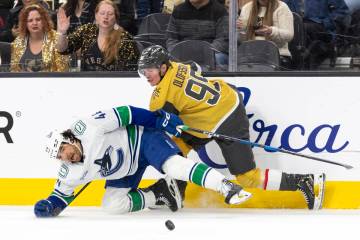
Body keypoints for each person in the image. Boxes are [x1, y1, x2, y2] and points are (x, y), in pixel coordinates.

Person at [137, 45, 326, 210]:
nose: (146, 75)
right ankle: (176, 191)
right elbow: (196, 67)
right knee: (175, 150)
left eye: (149, 70)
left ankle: (304, 181)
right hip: (221, 102)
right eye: (143, 71)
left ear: (163, 67)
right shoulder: (179, 65)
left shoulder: (161, 98)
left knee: (247, 178)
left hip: (227, 118)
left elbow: (158, 129)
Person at [33, 106, 251, 217]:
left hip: (142, 139)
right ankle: (160, 193)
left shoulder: (88, 127)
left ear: (69, 139)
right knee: (111, 206)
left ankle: (225, 186)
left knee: (173, 166)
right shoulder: (69, 170)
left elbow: (127, 113)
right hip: (126, 171)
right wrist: (49, 206)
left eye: (63, 148)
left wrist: (159, 120)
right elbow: (60, 197)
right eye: (59, 155)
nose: (65, 156)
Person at [56, 0, 139, 71]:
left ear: (116, 18)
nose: (106, 17)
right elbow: (62, 49)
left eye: (110, 14)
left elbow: (130, 72)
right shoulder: (87, 30)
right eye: (102, 13)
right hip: (86, 82)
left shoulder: (125, 38)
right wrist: (62, 32)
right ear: (96, 15)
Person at [166, 0, 229, 71]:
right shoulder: (178, 10)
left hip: (210, 53)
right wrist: (178, 52)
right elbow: (171, 38)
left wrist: (203, 53)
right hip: (184, 52)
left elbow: (223, 39)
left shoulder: (220, 11)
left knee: (217, 58)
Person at [10, 4, 69, 72]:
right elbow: (14, 70)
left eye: (38, 19)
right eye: (30, 20)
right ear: (25, 24)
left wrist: (62, 32)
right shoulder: (18, 41)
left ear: (44, 21)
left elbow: (62, 51)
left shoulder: (55, 37)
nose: (34, 23)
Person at [237, 0, 294, 69]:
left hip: (277, 55)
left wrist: (271, 31)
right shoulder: (247, 8)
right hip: (251, 55)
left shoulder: (282, 7)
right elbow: (242, 39)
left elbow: (289, 35)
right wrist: (240, 29)